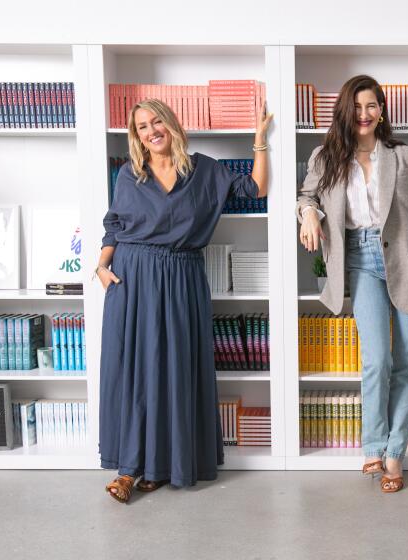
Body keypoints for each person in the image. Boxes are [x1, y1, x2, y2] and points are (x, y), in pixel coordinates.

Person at [97, 98, 273, 503]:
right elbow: (114, 225)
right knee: (134, 374)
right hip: (132, 277)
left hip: (181, 277)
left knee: (172, 370)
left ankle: (159, 467)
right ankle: (128, 471)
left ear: (171, 123)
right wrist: (101, 266)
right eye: (142, 126)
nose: (151, 130)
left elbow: (255, 188)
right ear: (136, 136)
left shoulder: (206, 170)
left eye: (156, 121)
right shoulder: (129, 174)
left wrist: (259, 142)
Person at [297, 74, 408, 493]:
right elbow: (306, 197)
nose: (364, 114)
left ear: (381, 110)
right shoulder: (325, 158)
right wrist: (308, 214)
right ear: (345, 111)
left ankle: (395, 455)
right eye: (357, 106)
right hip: (360, 260)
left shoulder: (406, 157)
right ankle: (373, 444)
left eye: (372, 106)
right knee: (377, 360)